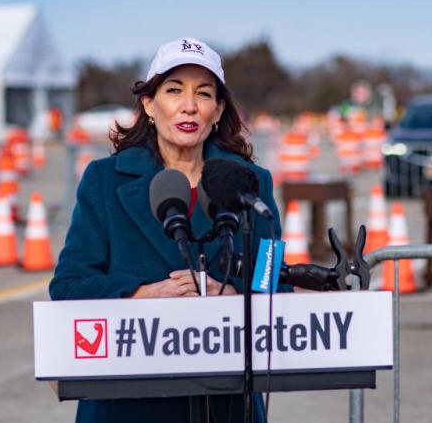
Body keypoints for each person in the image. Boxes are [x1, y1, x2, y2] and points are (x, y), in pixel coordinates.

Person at [49, 37, 282, 423]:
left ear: (218, 109)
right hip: (125, 404)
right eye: (174, 90)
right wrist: (141, 295)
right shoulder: (105, 180)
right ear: (149, 104)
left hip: (224, 401)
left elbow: (273, 281)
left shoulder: (250, 182)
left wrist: (235, 293)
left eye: (203, 94)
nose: (189, 105)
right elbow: (70, 285)